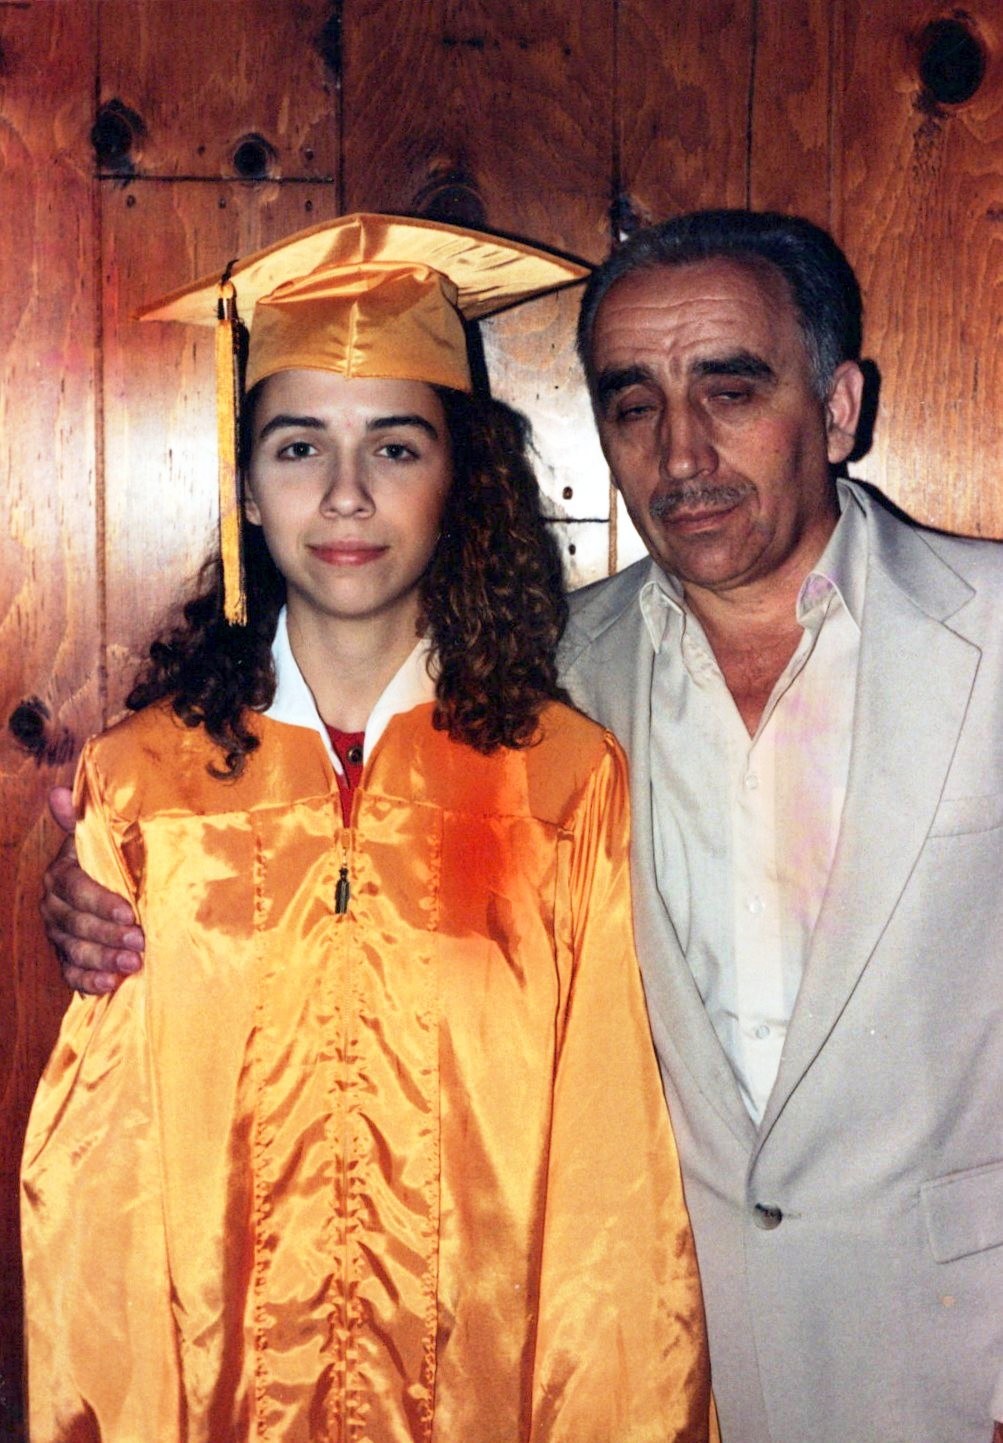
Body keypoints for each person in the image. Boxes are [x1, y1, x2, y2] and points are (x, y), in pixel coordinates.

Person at [40, 207, 1003, 1442]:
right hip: (681, 1349)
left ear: (838, 406)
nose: (682, 451)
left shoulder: (556, 769)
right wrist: (94, 880)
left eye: (731, 389)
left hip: (943, 1362)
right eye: (633, 403)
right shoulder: (557, 686)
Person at [21, 213, 712, 1443]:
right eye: (299, 447)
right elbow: (103, 1193)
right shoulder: (142, 790)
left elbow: (612, 1182)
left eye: (396, 446)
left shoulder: (562, 785)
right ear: (246, 485)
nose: (345, 494)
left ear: (460, 481)